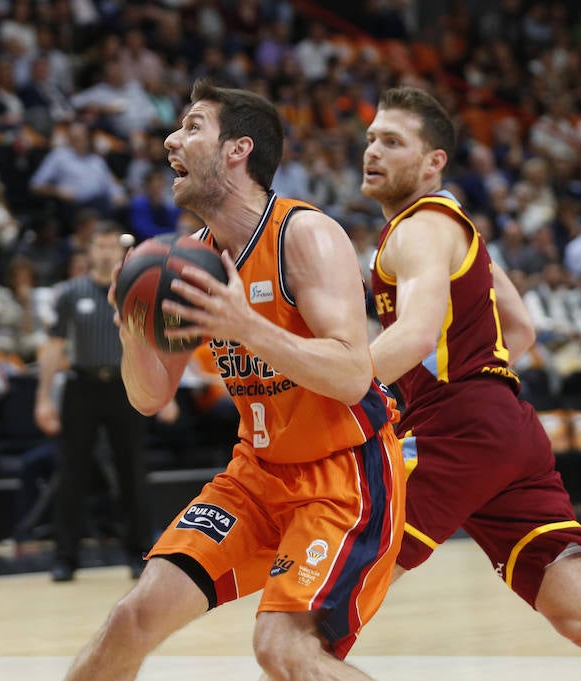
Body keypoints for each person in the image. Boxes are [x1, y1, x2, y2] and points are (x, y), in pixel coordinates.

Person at [61, 80, 404, 681]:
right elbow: (148, 399)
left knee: (283, 648)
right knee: (131, 619)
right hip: (254, 475)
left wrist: (245, 324)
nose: (171, 139)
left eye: (192, 126)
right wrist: (132, 325)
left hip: (343, 476)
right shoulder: (187, 258)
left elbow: (354, 374)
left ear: (237, 150)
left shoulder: (305, 234)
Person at [363, 86, 581, 649]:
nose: (372, 151)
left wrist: (334, 387)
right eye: (371, 138)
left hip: (459, 429)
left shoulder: (419, 228)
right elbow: (519, 329)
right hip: (509, 427)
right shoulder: (459, 228)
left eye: (392, 142)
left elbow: (417, 334)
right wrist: (477, 390)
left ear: (433, 162)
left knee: (341, 588)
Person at [34, 221, 152, 583]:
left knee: (132, 470)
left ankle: (138, 553)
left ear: (121, 252)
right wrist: (43, 398)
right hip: (82, 386)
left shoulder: (136, 292)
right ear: (88, 253)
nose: (104, 253)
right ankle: (65, 557)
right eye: (98, 246)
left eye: (110, 246)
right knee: (72, 472)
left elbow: (150, 340)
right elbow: (54, 346)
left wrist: (161, 388)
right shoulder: (70, 292)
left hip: (124, 386)